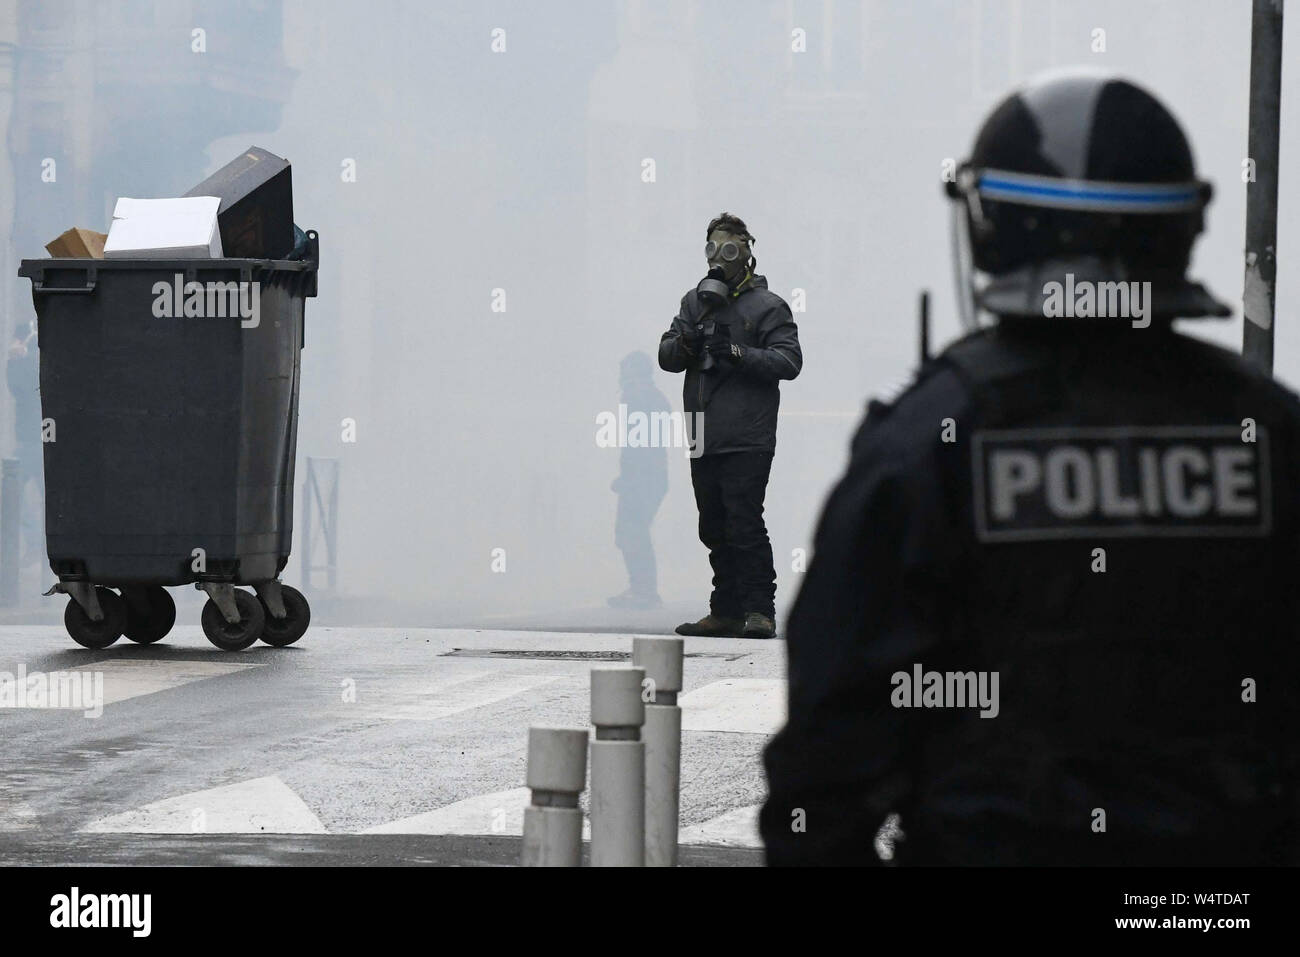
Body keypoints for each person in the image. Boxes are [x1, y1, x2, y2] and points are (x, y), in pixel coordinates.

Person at [761, 73, 1300, 865]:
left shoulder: (928, 440)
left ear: (991, 229)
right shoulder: (1273, 432)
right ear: (1184, 225)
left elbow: (826, 757)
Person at [658, 213, 802, 639]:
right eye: (713, 248)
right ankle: (725, 611)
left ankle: (760, 610)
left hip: (747, 437)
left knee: (744, 521)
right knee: (714, 525)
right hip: (703, 433)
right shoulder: (693, 302)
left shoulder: (769, 306)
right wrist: (685, 343)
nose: (720, 258)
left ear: (747, 254)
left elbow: (789, 362)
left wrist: (738, 352)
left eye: (730, 249)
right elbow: (667, 356)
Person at [608, 351, 669, 610]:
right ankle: (641, 588)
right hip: (646, 478)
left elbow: (641, 448)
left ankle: (643, 590)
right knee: (632, 532)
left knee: (632, 532)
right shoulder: (649, 398)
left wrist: (630, 478)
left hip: (642, 479)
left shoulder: (641, 398)